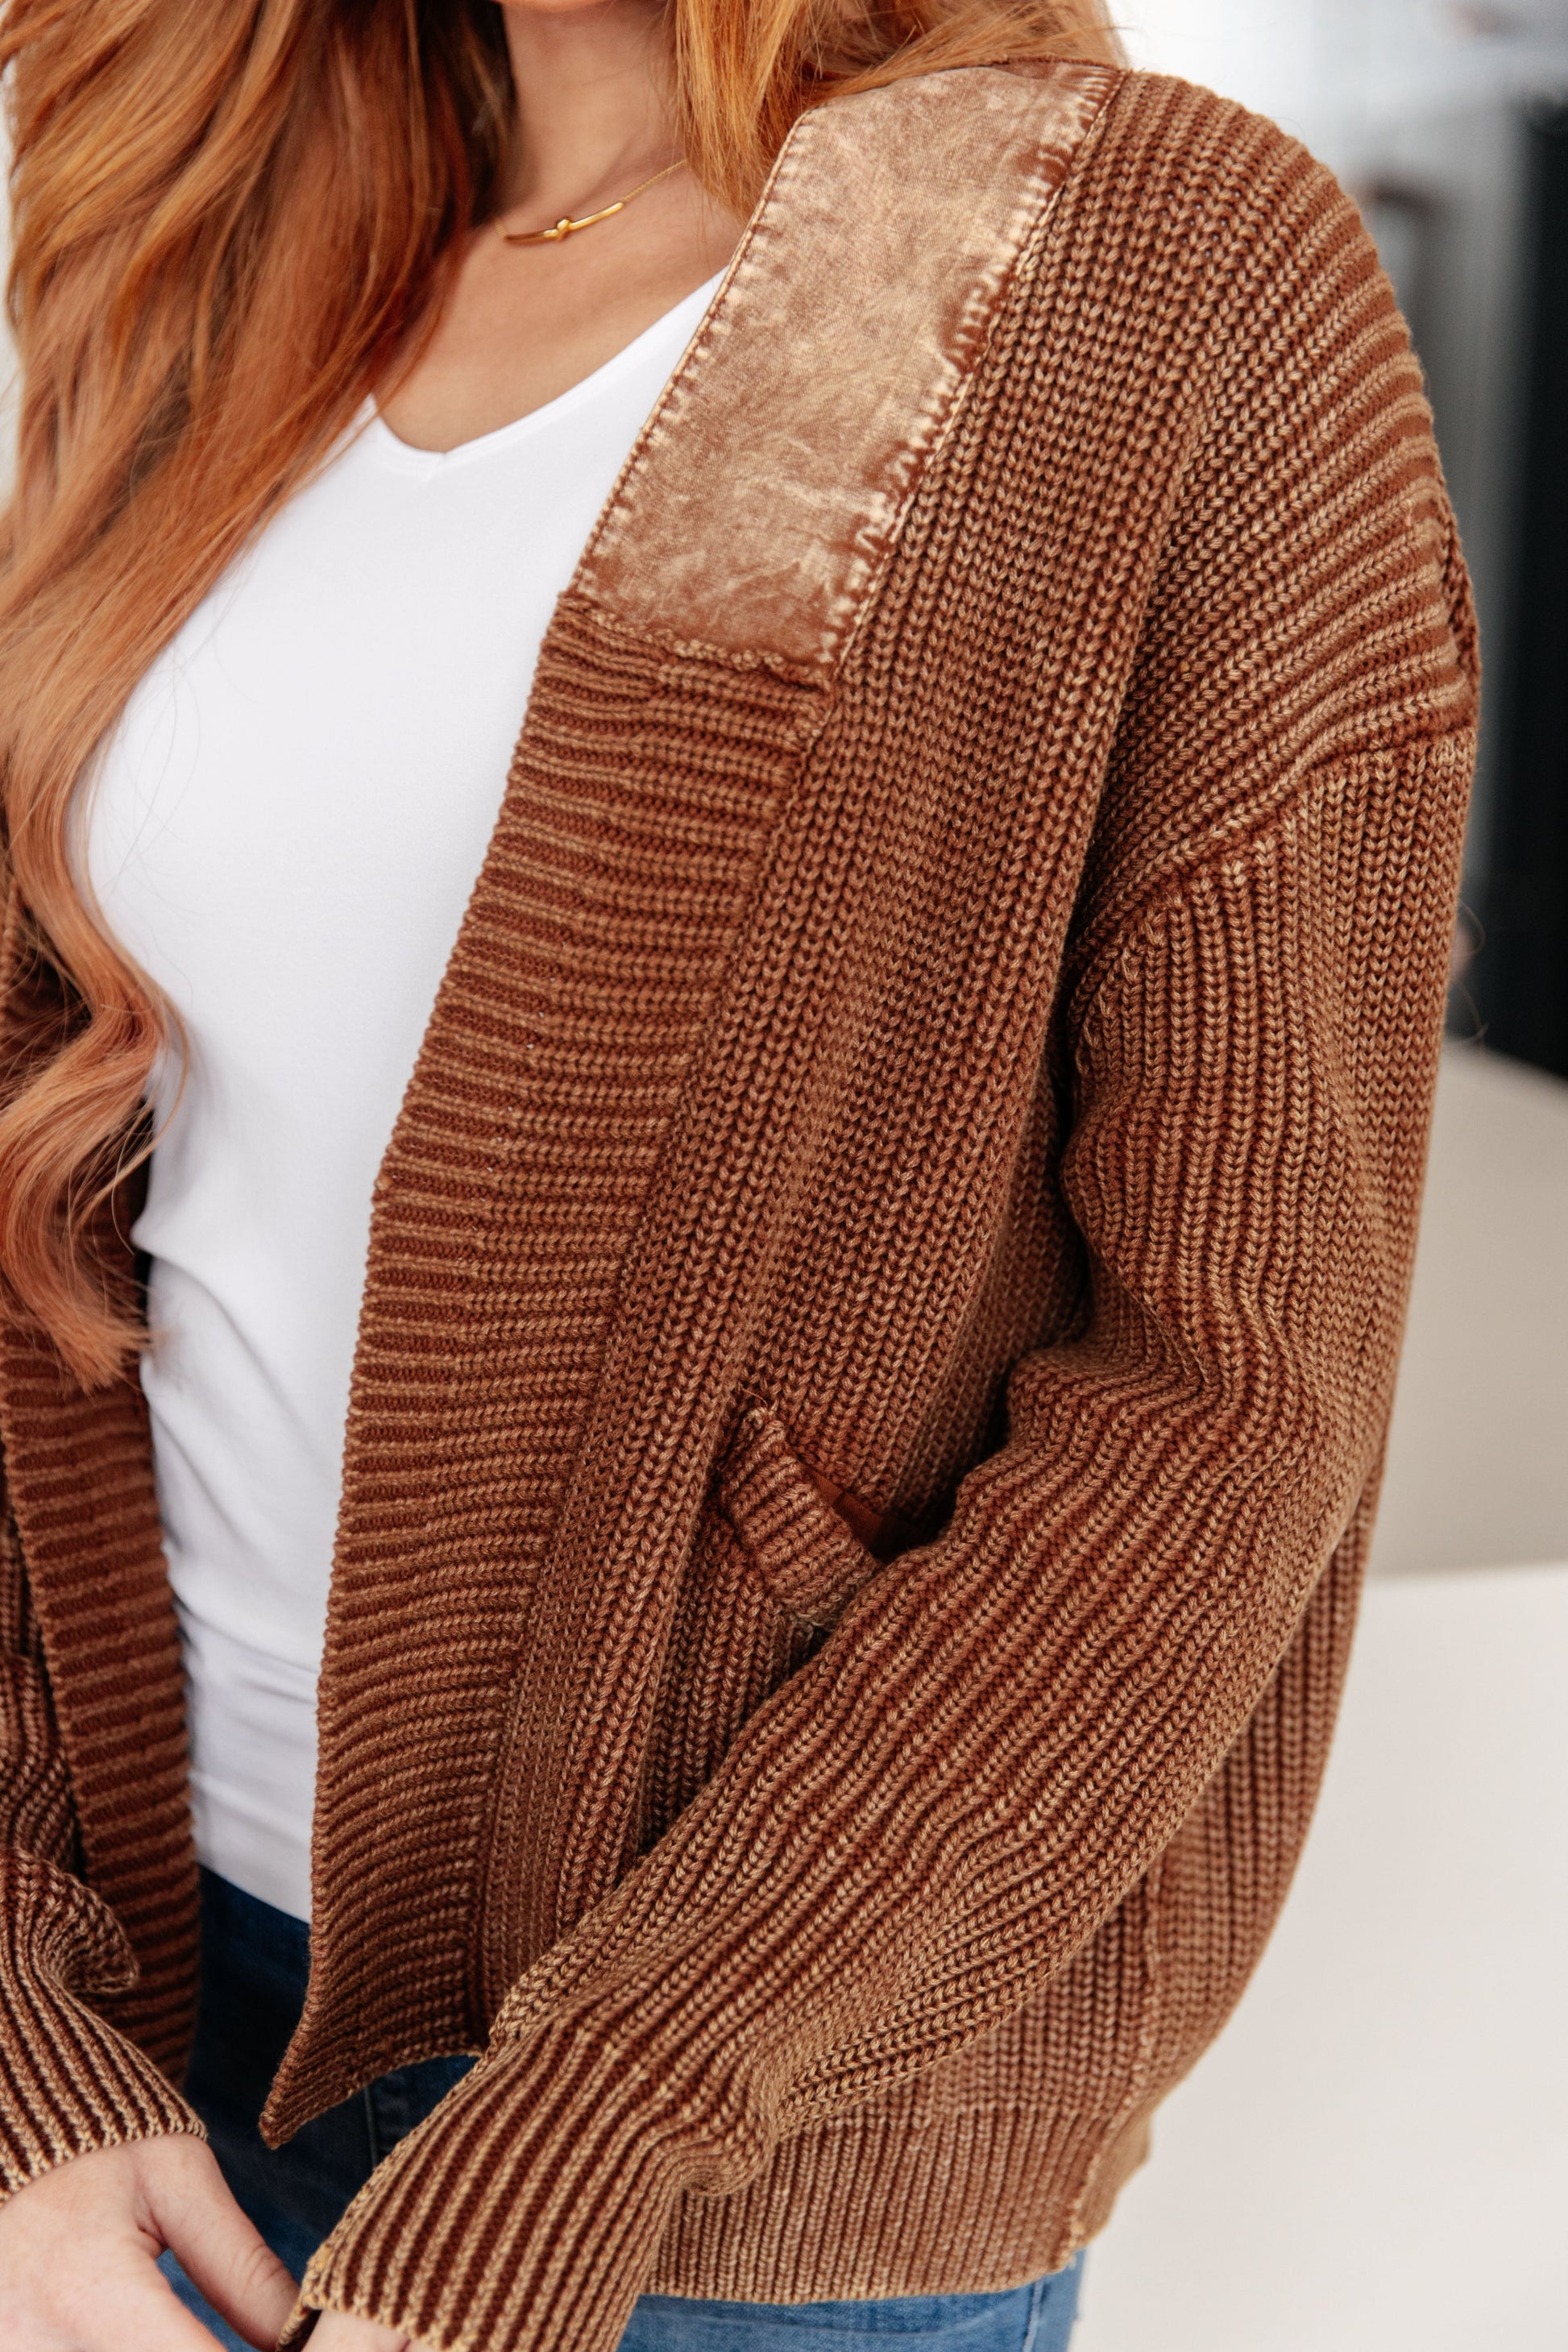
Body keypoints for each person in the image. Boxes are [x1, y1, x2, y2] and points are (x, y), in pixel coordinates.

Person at [0, 0, 1476, 2343]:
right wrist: (17, 2034)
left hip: (750, 2145)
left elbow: (1225, 1392)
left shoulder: (1158, 268)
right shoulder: (184, 239)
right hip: (134, 2051)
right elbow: (47, 1190)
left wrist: (599, 2127)